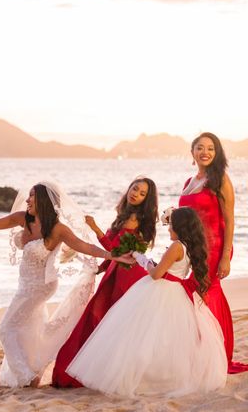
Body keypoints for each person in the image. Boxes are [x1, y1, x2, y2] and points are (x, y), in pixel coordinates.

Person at [0, 181, 133, 388]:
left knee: (5, 329)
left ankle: (26, 378)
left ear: (44, 201)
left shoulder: (58, 229)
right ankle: (35, 369)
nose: (27, 200)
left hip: (40, 286)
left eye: (32, 197)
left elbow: (84, 246)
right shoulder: (23, 219)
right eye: (28, 196)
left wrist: (112, 255)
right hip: (24, 284)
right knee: (29, 329)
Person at [66, 207, 227, 397]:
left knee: (143, 334)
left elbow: (157, 273)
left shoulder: (176, 246)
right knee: (166, 338)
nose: (168, 229)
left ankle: (145, 379)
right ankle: (166, 376)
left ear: (180, 227)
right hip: (176, 294)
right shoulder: (189, 247)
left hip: (161, 290)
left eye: (171, 226)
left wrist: (142, 259)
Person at [52, 177, 158, 388]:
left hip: (126, 276)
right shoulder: (125, 215)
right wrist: (100, 267)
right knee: (103, 321)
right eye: (134, 188)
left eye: (142, 193)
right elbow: (114, 253)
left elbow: (116, 250)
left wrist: (95, 228)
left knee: (103, 320)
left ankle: (97, 373)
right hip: (115, 271)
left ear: (147, 199)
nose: (135, 193)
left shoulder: (135, 219)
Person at [178, 132, 248, 373]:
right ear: (192, 152)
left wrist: (226, 255)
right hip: (192, 250)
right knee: (196, 298)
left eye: (210, 148)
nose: (205, 152)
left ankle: (219, 355)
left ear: (217, 153)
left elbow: (230, 220)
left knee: (208, 295)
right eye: (200, 147)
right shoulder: (189, 182)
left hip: (214, 248)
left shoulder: (220, 179)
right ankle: (203, 351)